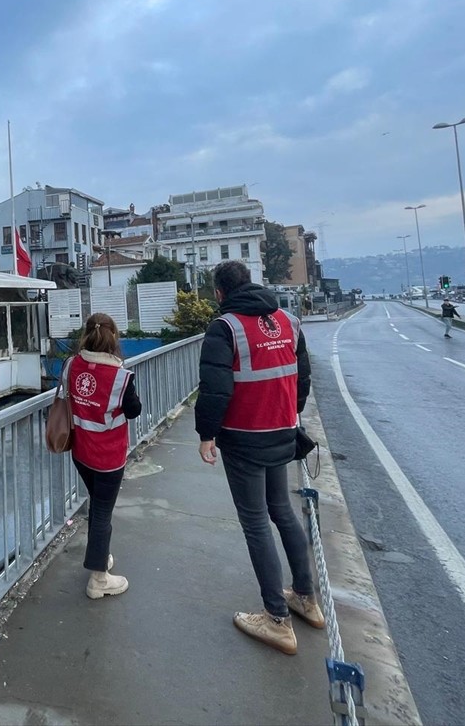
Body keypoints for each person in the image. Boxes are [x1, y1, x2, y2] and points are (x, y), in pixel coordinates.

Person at [196, 261, 323, 654]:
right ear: (251, 283)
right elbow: (302, 375)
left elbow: (215, 389)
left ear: (220, 293)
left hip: (245, 440)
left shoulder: (225, 328)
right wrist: (290, 415)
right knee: (281, 510)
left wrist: (206, 435)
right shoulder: (288, 321)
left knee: (255, 523)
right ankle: (305, 597)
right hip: (283, 432)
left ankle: (276, 618)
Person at [64, 312, 141, 599]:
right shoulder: (121, 377)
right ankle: (98, 579)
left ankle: (100, 555)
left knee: (97, 505)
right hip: (108, 457)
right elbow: (134, 410)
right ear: (114, 337)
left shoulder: (72, 364)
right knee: (103, 513)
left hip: (80, 452)